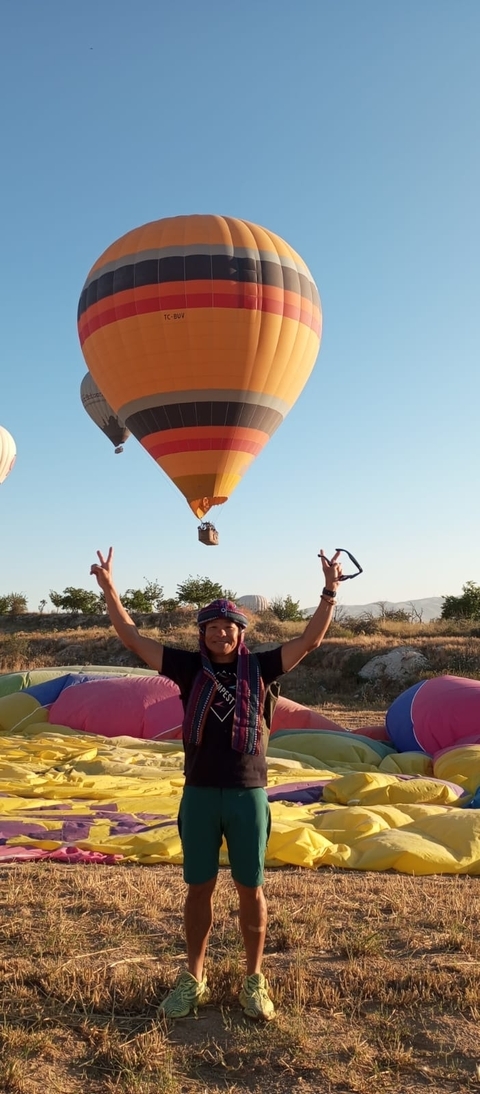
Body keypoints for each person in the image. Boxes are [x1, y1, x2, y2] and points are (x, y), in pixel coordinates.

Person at [90, 546, 342, 1020]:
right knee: (198, 888)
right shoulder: (187, 668)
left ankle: (254, 981)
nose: (221, 632)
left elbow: (308, 641)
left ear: (241, 633)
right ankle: (195, 979)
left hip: (248, 795)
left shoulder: (263, 667)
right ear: (202, 634)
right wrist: (109, 590)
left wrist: (329, 592)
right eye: (212, 626)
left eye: (229, 626)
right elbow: (132, 638)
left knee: (252, 888)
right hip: (201, 794)